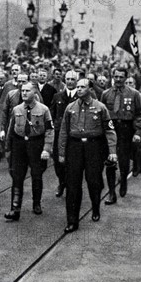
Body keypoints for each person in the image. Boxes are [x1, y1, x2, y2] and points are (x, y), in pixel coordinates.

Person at [59, 79, 117, 233]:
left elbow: (110, 130)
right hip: (75, 146)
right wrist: (61, 152)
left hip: (94, 147)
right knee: (72, 184)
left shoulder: (100, 107)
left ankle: (96, 206)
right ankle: (72, 220)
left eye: (82, 87)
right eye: (77, 87)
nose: (78, 89)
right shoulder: (70, 108)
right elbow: (64, 131)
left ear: (90, 89)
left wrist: (112, 151)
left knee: (94, 180)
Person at [4, 82, 53, 220]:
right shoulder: (17, 109)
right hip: (19, 144)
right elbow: (10, 130)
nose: (24, 93)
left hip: (36, 144)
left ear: (34, 93)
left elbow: (49, 130)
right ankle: (15, 208)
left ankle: (36, 203)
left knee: (37, 175)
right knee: (17, 176)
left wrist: (47, 149)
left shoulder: (44, 110)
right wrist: (8, 148)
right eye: (22, 90)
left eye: (27, 90)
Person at [100, 66, 141, 199]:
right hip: (111, 129)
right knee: (110, 161)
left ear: (126, 78)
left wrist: (138, 132)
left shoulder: (134, 94)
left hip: (126, 130)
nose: (118, 79)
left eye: (121, 77)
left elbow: (139, 114)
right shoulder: (106, 94)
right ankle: (112, 192)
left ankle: (123, 181)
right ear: (112, 77)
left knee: (124, 161)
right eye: (116, 77)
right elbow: (101, 114)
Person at [49, 70, 79, 198]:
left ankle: (71, 186)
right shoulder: (58, 96)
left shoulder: (80, 96)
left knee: (73, 162)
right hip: (59, 133)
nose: (70, 81)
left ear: (76, 81)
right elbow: (52, 114)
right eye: (68, 79)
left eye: (73, 79)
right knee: (57, 161)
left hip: (75, 135)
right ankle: (62, 182)